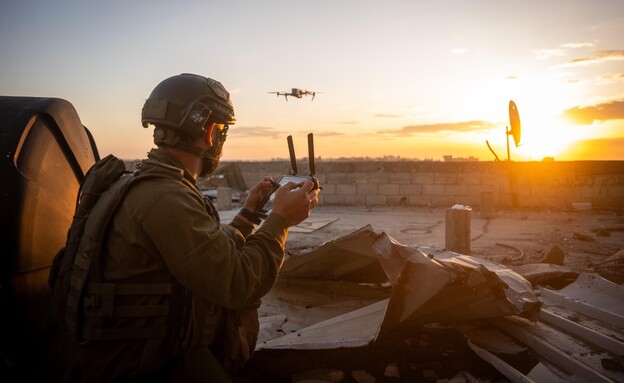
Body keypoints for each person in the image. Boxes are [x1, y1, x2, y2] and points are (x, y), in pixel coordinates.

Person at [69, 73, 320, 382]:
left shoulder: (145, 184)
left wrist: (249, 215)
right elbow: (240, 283)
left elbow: (204, 251)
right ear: (210, 131)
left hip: (126, 355)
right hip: (148, 366)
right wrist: (280, 221)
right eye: (223, 130)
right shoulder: (166, 198)